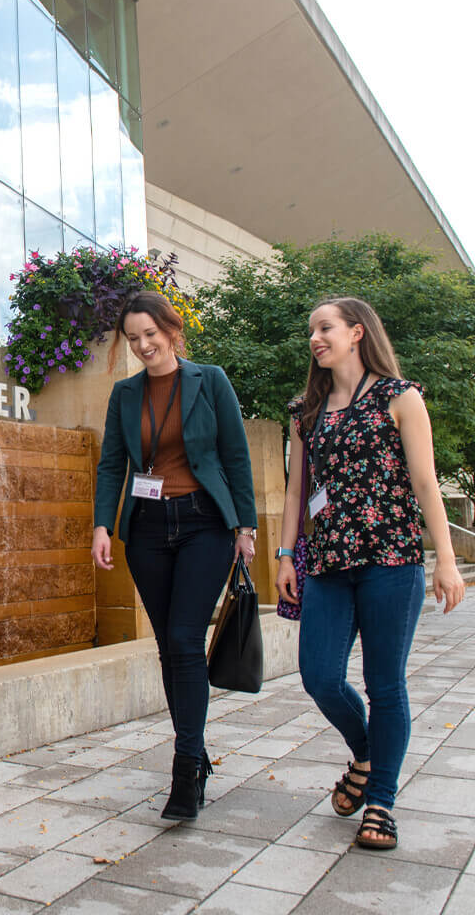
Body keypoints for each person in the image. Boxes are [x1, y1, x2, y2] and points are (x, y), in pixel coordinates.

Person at [276, 297, 464, 851]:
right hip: (329, 564)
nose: (315, 337)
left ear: (357, 333)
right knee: (319, 676)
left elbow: (426, 484)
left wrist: (447, 560)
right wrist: (287, 556)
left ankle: (380, 801)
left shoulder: (400, 397)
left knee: (385, 687)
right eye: (312, 329)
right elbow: (294, 492)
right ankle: (366, 755)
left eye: (325, 327)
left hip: (391, 561)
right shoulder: (306, 410)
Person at [92, 291, 257, 822]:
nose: (143, 345)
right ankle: (196, 751)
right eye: (133, 338)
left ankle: (185, 767)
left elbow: (234, 454)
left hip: (204, 522)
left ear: (171, 330)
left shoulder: (210, 380)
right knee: (170, 647)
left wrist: (245, 525)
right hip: (147, 530)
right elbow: (113, 463)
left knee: (187, 638)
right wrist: (103, 523)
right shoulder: (124, 395)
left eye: (150, 335)